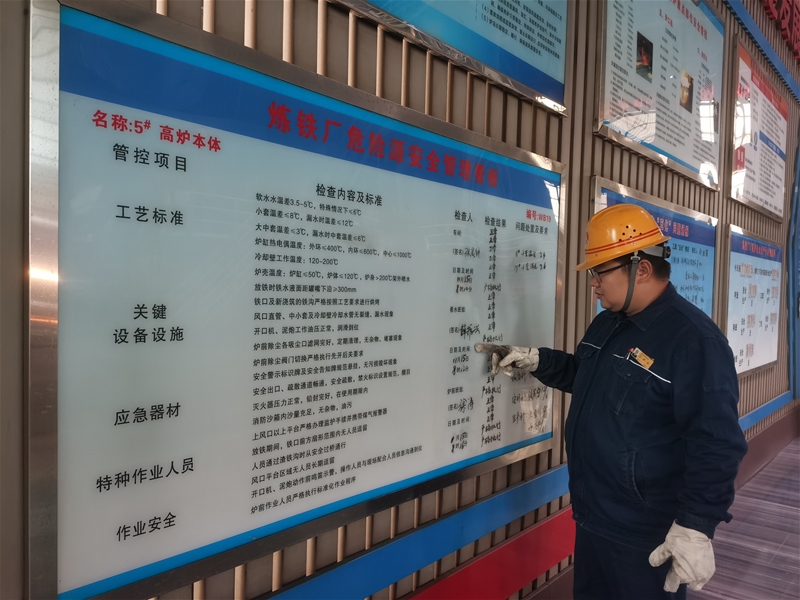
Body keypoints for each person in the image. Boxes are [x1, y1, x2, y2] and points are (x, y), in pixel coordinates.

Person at [476, 204, 747, 600]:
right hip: (594, 515)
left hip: (646, 533)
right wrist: (538, 361)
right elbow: (588, 376)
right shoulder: (609, 322)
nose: (594, 284)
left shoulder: (693, 341)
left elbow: (717, 442)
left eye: (600, 272)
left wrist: (696, 526)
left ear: (641, 269)